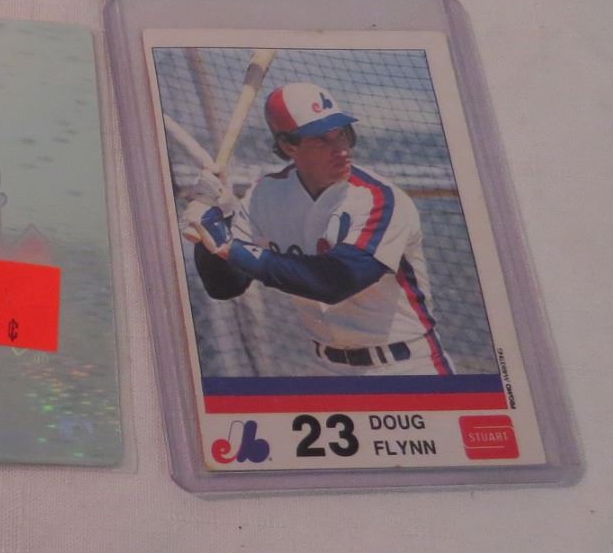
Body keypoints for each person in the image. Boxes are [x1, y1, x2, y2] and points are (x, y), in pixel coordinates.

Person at [183, 82, 454, 375]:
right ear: (289, 146)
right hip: (328, 369)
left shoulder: (380, 199)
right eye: (322, 140)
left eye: (343, 134)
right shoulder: (266, 194)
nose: (342, 150)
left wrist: (229, 246)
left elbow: (334, 282)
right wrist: (214, 220)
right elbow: (225, 286)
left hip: (406, 367)